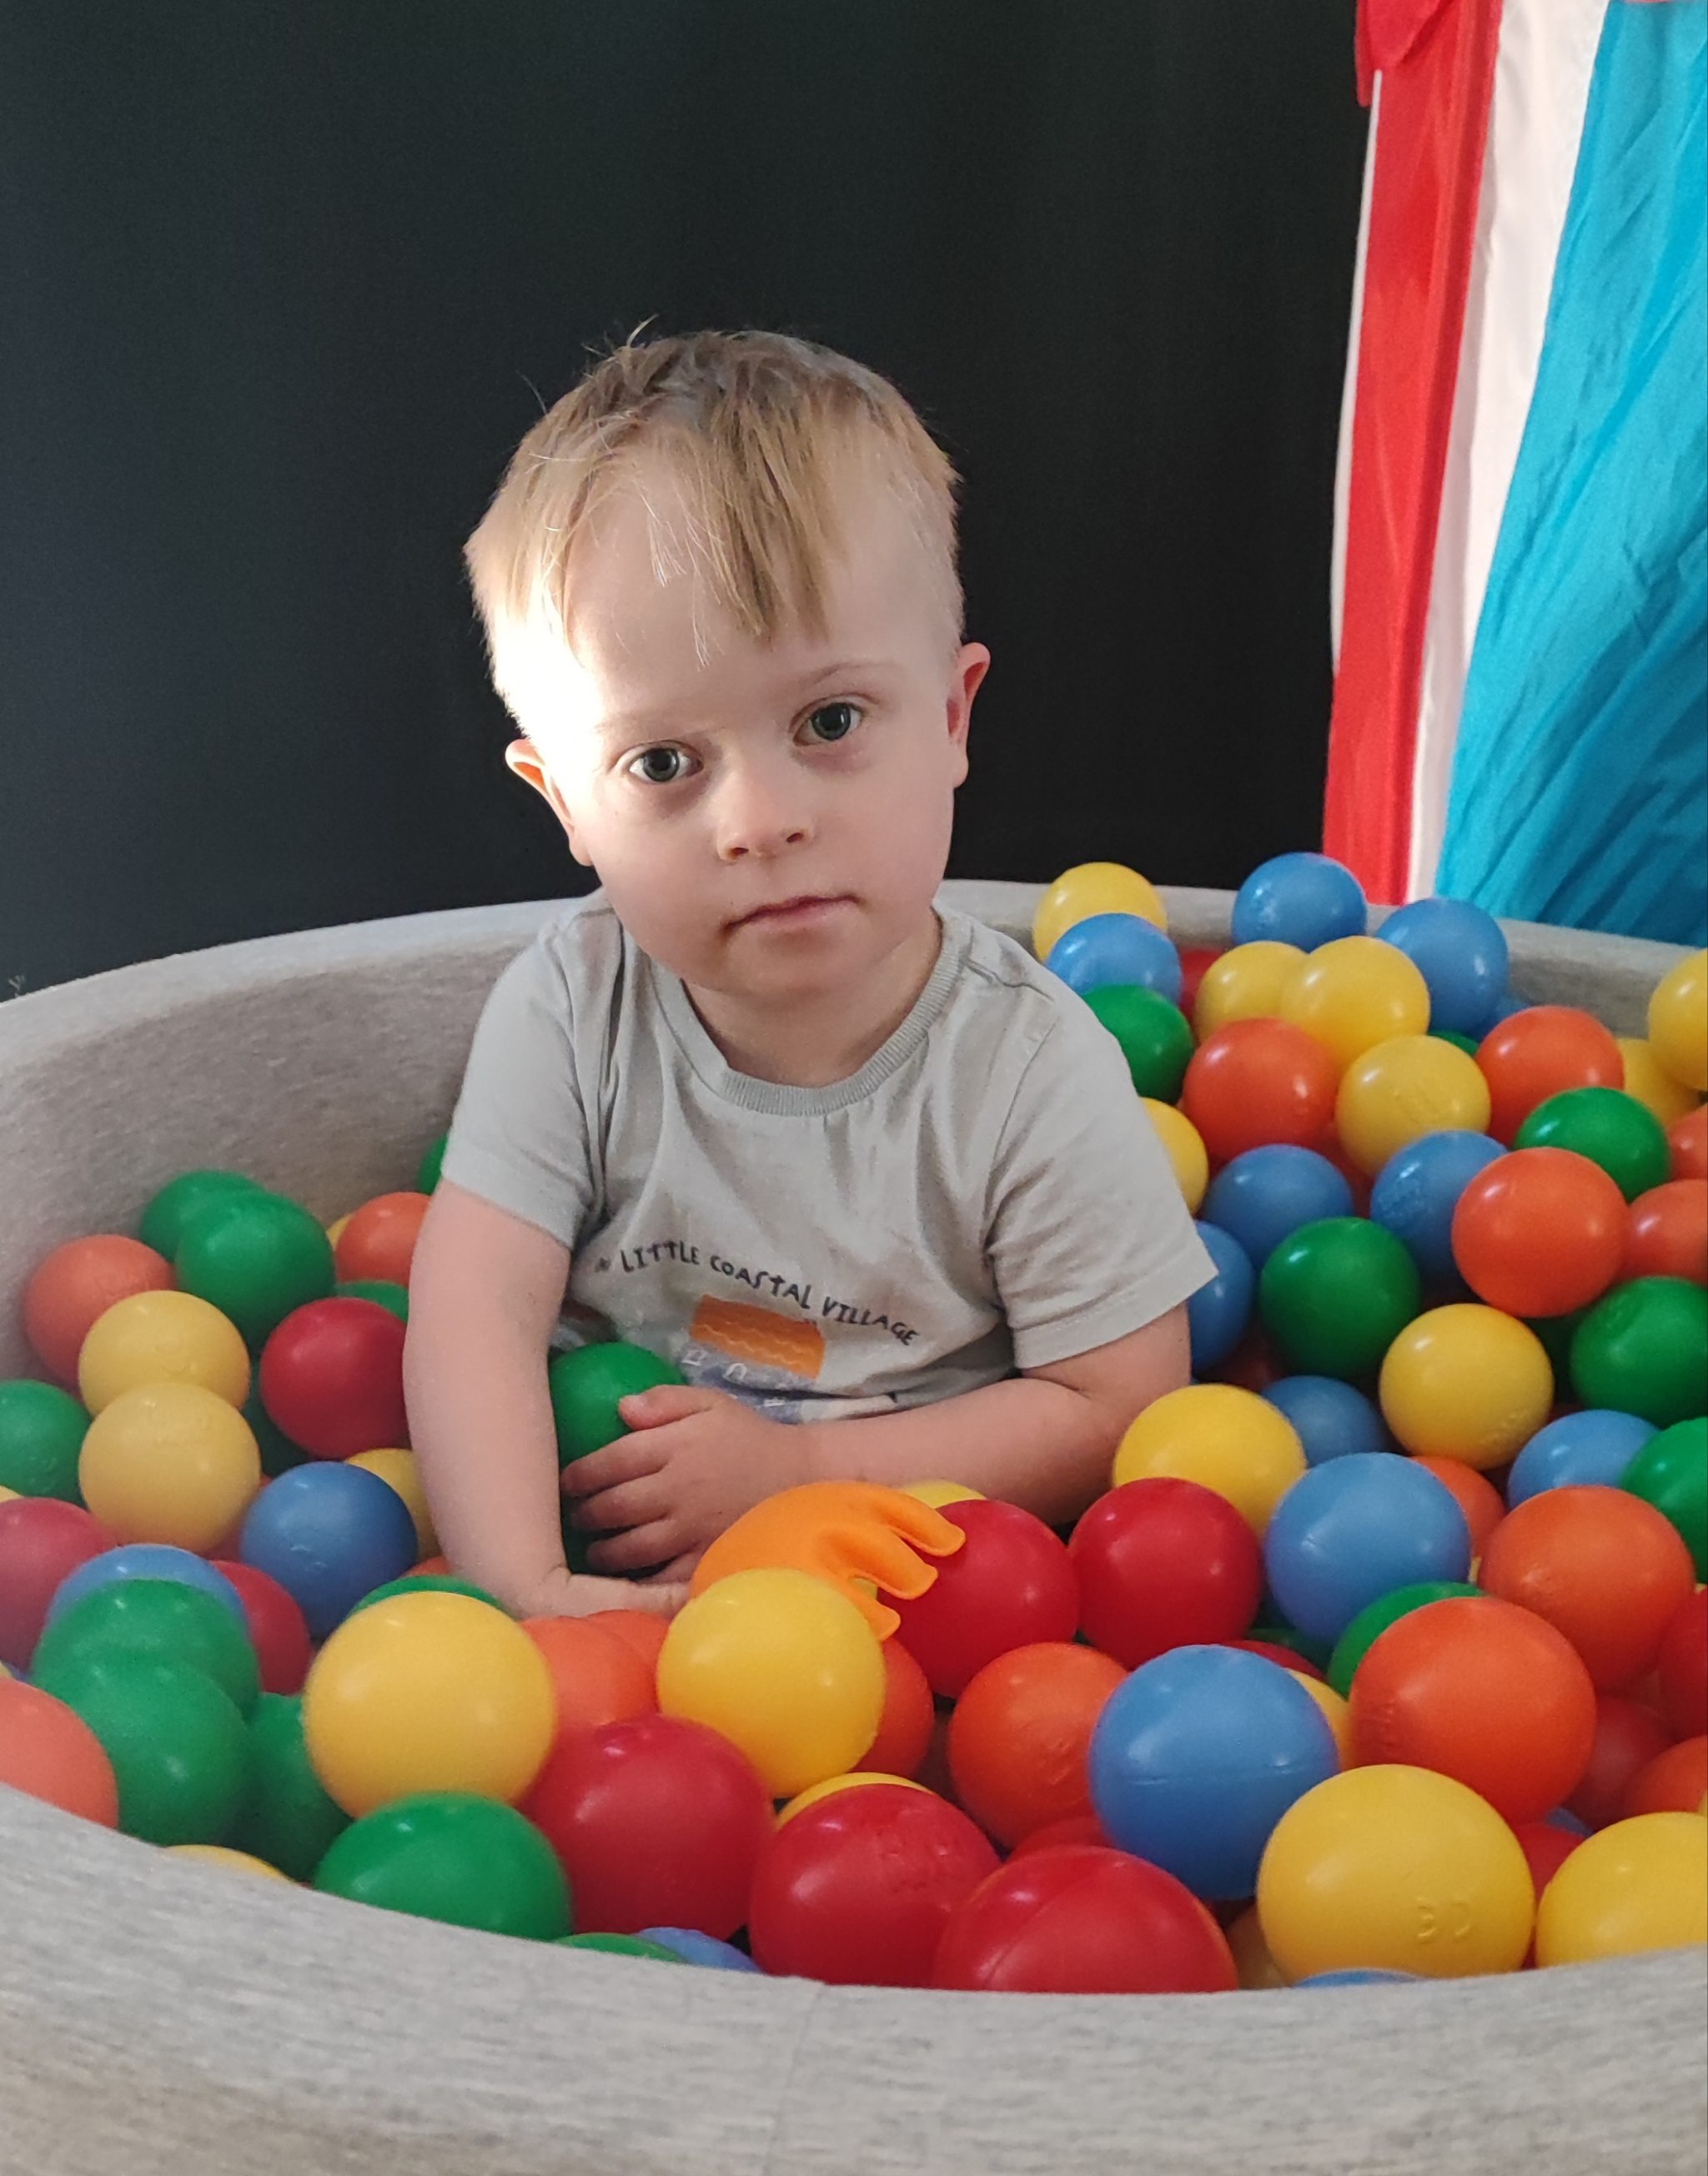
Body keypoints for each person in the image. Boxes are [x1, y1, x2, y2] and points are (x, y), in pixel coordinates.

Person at [404, 329, 1212, 1620]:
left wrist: (799, 1476)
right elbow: (471, 1311)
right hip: (624, 1597)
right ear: (563, 803)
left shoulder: (1029, 1068)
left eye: (829, 721)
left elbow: (1119, 1400)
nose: (760, 821)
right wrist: (527, 1590)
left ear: (951, 717)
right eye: (663, 764)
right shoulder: (571, 1008)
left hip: (927, 1604)